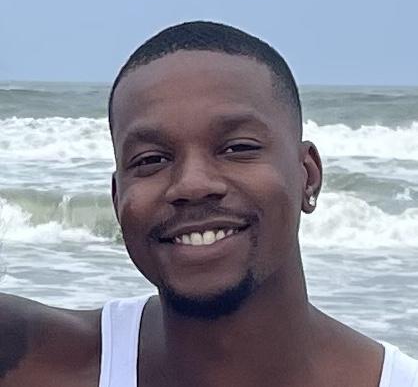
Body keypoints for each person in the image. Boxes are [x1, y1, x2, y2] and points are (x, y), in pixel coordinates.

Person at [0, 21, 417, 387]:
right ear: (117, 199)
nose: (192, 184)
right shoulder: (41, 365)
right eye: (151, 160)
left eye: (237, 148)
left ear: (308, 174)